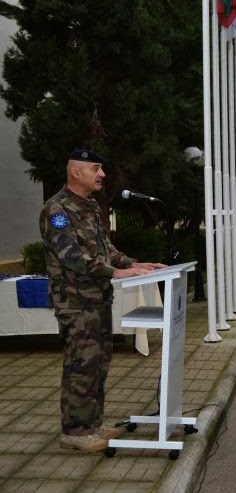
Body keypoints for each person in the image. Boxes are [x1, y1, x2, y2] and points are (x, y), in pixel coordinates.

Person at [40, 149, 165, 453]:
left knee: (99, 363)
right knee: (81, 364)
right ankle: (74, 431)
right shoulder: (57, 210)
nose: (102, 174)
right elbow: (72, 257)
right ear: (75, 172)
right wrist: (117, 273)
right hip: (75, 302)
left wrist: (136, 263)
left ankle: (92, 424)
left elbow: (104, 249)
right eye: (95, 168)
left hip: (97, 299)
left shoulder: (90, 206)